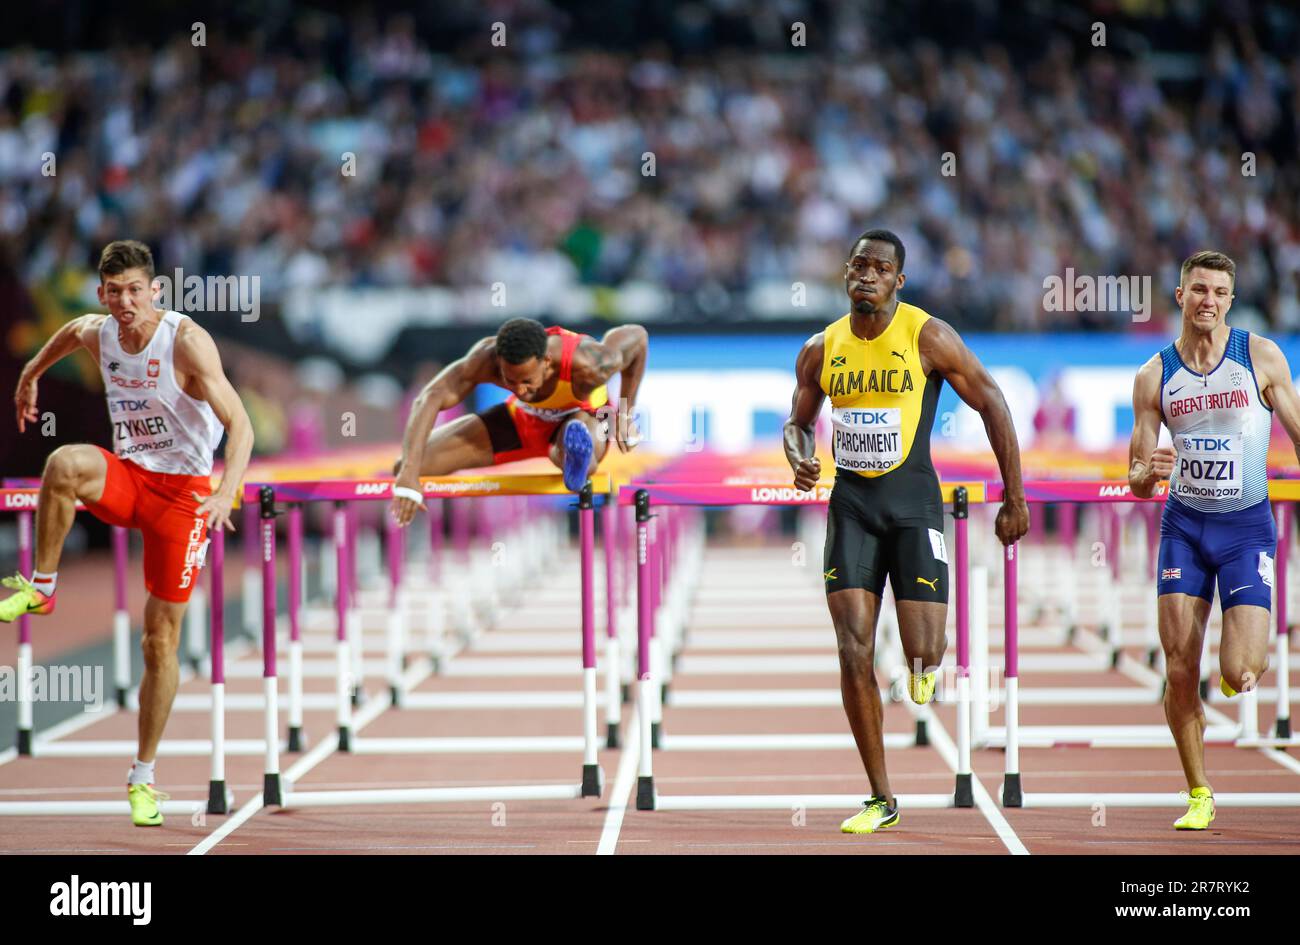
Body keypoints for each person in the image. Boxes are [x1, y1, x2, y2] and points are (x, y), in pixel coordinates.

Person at [784, 229, 1029, 834]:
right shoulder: (822, 348)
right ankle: (880, 796)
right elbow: (797, 422)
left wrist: (1013, 497)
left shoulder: (927, 336)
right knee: (852, 648)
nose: (867, 275)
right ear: (846, 274)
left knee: (926, 650)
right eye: (858, 265)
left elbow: (993, 402)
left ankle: (921, 669)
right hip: (852, 508)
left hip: (915, 506)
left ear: (899, 280)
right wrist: (798, 455)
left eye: (881, 268)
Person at [2, 240, 254, 827]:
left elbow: (239, 425)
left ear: (156, 291)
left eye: (136, 291)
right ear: (102, 294)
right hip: (133, 479)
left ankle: (143, 777)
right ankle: (42, 586)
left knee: (158, 641)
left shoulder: (185, 341)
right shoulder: (100, 330)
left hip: (185, 496)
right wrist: (29, 375)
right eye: (114, 292)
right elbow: (69, 332)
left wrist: (225, 490)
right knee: (64, 464)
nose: (125, 303)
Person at [1128, 249, 1300, 830]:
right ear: (1180, 295)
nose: (1209, 301)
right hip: (1184, 527)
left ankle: (1236, 656)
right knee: (1178, 667)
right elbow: (1136, 479)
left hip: (1246, 527)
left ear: (1230, 299)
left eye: (1220, 293)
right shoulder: (1153, 375)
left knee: (1240, 673)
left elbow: (1299, 434)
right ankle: (1198, 791)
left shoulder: (1259, 356)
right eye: (1199, 290)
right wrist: (1146, 474)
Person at [390, 318, 647, 525]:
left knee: (577, 434)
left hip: (582, 417)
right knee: (406, 464)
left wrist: (626, 412)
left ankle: (573, 459)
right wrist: (409, 476)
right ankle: (572, 457)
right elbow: (428, 398)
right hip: (521, 419)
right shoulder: (486, 358)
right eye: (510, 381)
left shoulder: (589, 363)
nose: (520, 389)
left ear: (546, 362)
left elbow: (638, 338)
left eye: (527, 381)